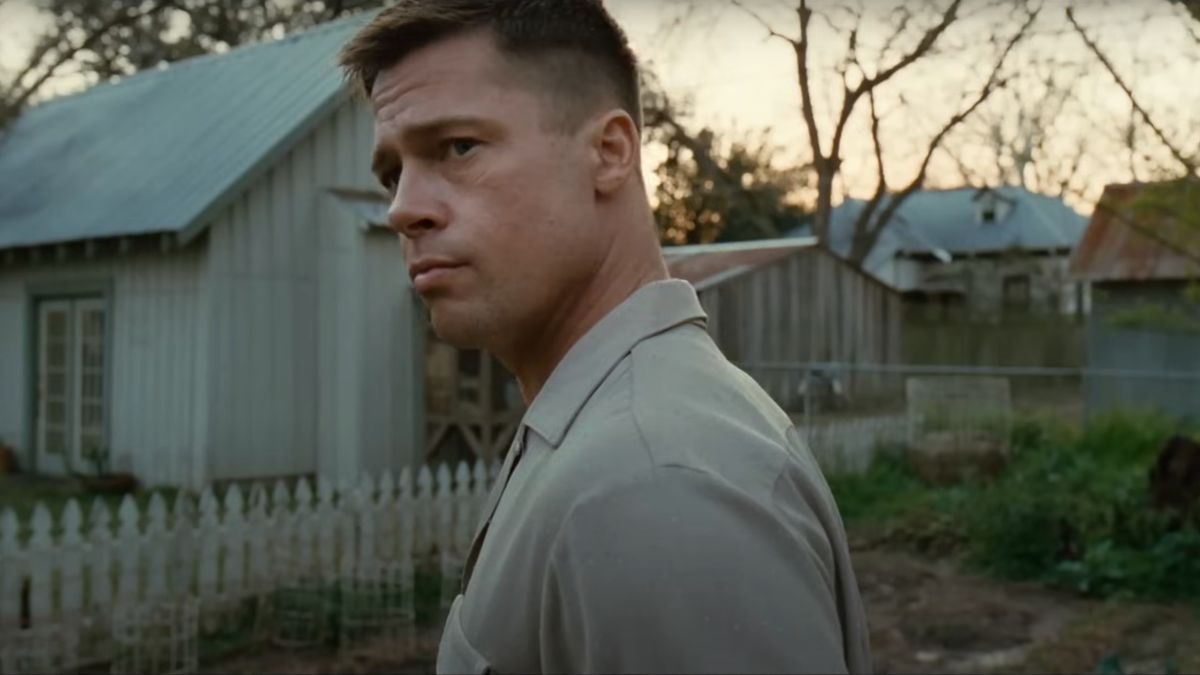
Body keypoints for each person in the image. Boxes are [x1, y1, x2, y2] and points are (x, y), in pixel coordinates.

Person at [338, 1, 872, 672]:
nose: (402, 208)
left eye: (458, 147)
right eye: (393, 174)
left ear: (609, 153)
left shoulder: (653, 487)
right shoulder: (604, 430)